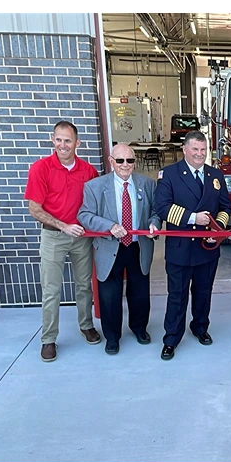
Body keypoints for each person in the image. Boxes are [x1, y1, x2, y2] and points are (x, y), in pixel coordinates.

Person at [24, 120, 101, 362]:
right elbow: (34, 209)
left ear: (77, 143)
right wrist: (62, 225)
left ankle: (86, 325)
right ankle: (48, 339)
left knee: (83, 286)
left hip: (81, 237)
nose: (63, 145)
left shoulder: (88, 171)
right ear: (52, 140)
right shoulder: (40, 168)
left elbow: (96, 205)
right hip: (53, 236)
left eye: (68, 140)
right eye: (59, 139)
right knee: (51, 290)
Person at [154, 130, 231, 361]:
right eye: (195, 149)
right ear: (185, 150)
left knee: (203, 292)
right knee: (177, 295)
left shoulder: (215, 175)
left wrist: (216, 230)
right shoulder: (168, 174)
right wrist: (192, 218)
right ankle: (171, 339)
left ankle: (199, 327)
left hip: (207, 247)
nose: (199, 154)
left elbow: (226, 208)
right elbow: (162, 207)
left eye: (203, 149)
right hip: (181, 248)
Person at [78, 143, 161, 355]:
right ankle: (112, 337)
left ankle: (139, 329)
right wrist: (109, 226)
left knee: (140, 293)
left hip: (138, 246)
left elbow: (156, 211)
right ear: (111, 161)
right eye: (120, 160)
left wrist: (154, 224)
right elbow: (84, 216)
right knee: (109, 296)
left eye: (130, 160)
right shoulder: (95, 186)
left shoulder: (147, 184)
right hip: (109, 247)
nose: (126, 165)